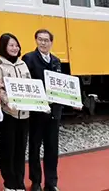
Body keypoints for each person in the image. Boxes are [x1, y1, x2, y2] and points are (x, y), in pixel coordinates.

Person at [23, 29, 62, 191]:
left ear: (51, 43)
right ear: (36, 40)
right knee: (34, 147)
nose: (43, 43)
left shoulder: (56, 61)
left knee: (52, 149)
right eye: (40, 39)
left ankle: (51, 183)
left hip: (54, 112)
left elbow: (61, 85)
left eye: (46, 40)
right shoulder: (29, 58)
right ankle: (36, 181)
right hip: (37, 112)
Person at [0, 33, 31, 191]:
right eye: (11, 45)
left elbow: (31, 87)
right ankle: (9, 183)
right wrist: (7, 102)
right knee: (8, 149)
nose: (14, 48)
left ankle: (19, 181)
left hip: (24, 114)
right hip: (8, 114)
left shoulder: (23, 65)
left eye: (16, 45)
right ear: (4, 47)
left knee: (20, 149)